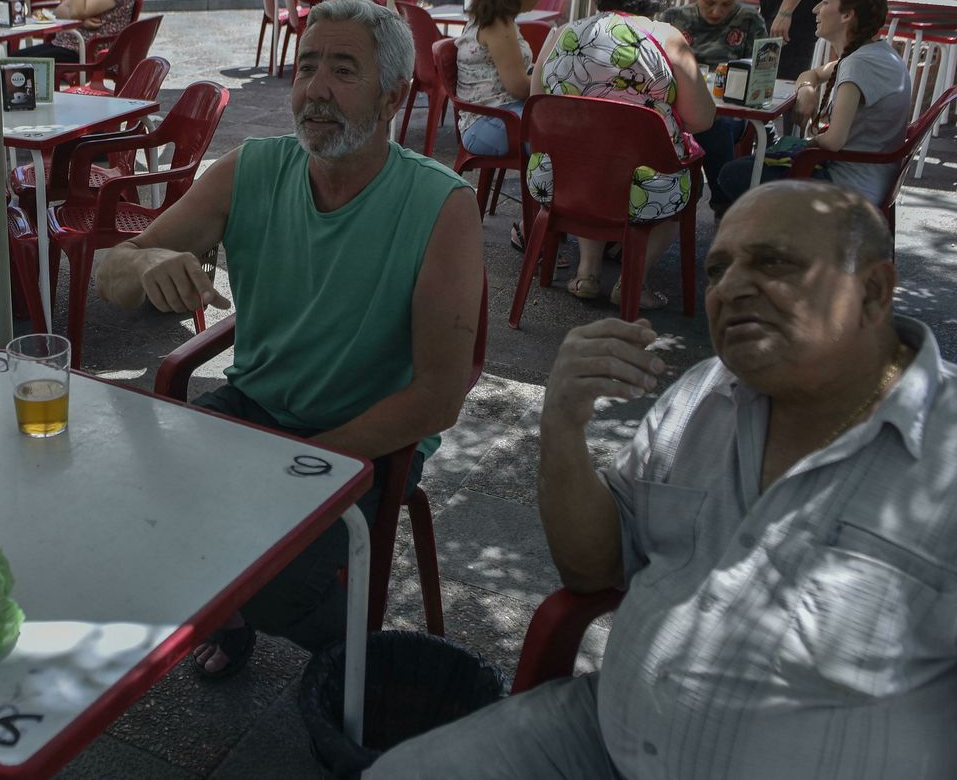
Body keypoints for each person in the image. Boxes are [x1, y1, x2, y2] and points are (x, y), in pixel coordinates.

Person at [368, 181, 957, 779]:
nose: (730, 288)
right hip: (603, 739)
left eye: (773, 262)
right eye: (717, 269)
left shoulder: (946, 459)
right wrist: (564, 428)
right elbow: (593, 570)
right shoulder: (706, 391)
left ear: (874, 291)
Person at [95, 0, 483, 679]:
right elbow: (112, 274)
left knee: (272, 577)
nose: (316, 89)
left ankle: (359, 659)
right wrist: (149, 261)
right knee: (124, 510)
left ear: (393, 96)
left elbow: (437, 398)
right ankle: (236, 615)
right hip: (253, 412)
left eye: (343, 70)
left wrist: (299, 470)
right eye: (306, 67)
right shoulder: (250, 171)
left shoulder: (439, 205)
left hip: (368, 438)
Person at [526, 0, 716, 309]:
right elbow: (702, 118)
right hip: (642, 188)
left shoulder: (562, 35)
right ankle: (634, 280)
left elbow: (539, 104)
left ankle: (588, 271)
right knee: (678, 182)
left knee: (590, 162)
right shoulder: (667, 39)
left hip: (560, 180)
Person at [713, 0, 911, 215]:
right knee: (748, 166)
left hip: (847, 186)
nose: (816, 9)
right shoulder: (875, 53)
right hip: (872, 179)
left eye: (826, 2)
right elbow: (814, 73)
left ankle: (785, 242)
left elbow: (834, 141)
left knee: (733, 173)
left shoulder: (858, 65)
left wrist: (807, 143)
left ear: (847, 15)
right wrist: (807, 88)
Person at [658, 0, 768, 191]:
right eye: (709, 3)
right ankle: (680, 194)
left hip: (729, 111)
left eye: (726, 5)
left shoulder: (749, 21)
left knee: (715, 124)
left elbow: (761, 74)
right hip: (680, 106)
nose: (717, 12)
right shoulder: (674, 19)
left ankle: (720, 195)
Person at [453, 0, 553, 166]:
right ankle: (553, 199)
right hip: (491, 122)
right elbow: (519, 87)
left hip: (492, 118)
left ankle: (551, 198)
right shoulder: (499, 25)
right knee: (560, 139)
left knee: (562, 129)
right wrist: (550, 71)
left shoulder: (490, 17)